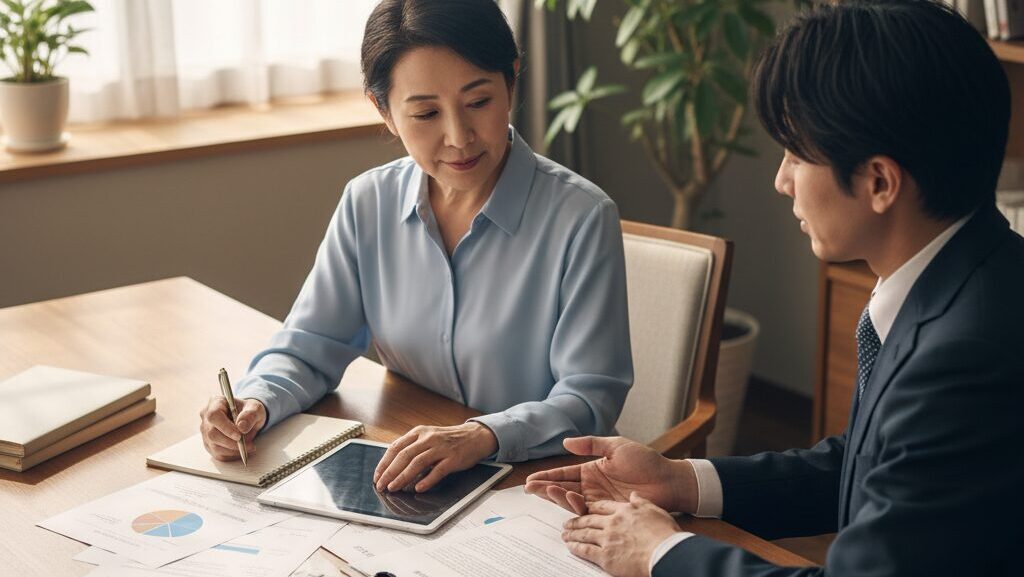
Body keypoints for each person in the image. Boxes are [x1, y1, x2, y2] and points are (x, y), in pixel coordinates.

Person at [526, 1, 1024, 575]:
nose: (781, 181)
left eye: (795, 154)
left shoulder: (967, 359)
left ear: (880, 182)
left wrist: (659, 552)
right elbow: (866, 468)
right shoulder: (962, 274)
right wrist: (681, 481)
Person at [198, 0, 633, 493]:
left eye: (479, 102)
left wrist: (483, 435)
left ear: (511, 80)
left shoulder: (581, 217)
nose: (459, 137)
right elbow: (310, 347)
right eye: (425, 112)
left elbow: (590, 398)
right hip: (414, 478)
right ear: (383, 111)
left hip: (537, 482)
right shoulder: (368, 203)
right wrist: (256, 401)